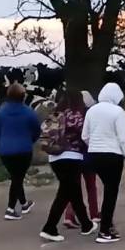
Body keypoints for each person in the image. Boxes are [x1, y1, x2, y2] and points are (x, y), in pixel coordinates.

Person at [39, 90, 99, 242]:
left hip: (54, 158)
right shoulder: (77, 116)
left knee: (73, 192)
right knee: (65, 194)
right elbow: (85, 136)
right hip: (72, 157)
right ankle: (49, 227)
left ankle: (86, 224)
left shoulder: (53, 116)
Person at [82, 82, 125, 243]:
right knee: (111, 192)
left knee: (107, 188)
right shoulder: (118, 112)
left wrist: (94, 146)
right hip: (113, 155)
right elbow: (124, 138)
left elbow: (85, 136)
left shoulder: (91, 110)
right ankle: (105, 230)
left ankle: (107, 223)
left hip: (94, 154)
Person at [0, 83, 41, 221]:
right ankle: (10, 209)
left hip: (5, 150)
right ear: (23, 96)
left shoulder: (1, 112)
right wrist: (30, 140)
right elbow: (37, 131)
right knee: (17, 178)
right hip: (23, 149)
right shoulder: (28, 112)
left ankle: (24, 204)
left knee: (16, 176)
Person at [64, 91, 100, 227]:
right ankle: (94, 214)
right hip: (86, 154)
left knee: (73, 187)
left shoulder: (65, 114)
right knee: (91, 186)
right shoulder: (87, 116)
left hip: (70, 155)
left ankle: (69, 215)